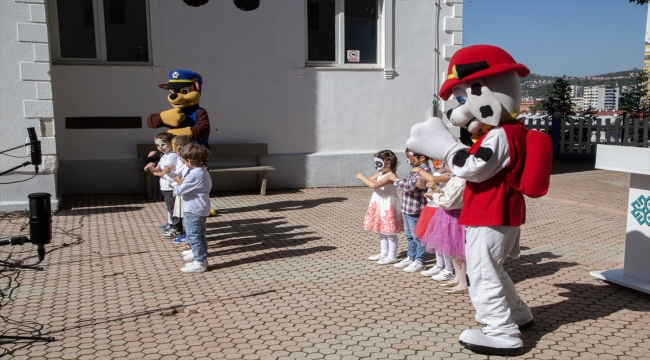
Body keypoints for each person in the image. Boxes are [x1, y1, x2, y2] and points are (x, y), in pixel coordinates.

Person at [417, 162, 468, 293]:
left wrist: (435, 195)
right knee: (451, 249)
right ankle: (458, 277)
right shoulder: (455, 178)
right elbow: (446, 194)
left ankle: (463, 282)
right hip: (448, 217)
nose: (444, 167)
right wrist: (437, 190)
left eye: (447, 164)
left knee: (458, 251)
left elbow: (449, 202)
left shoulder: (461, 181)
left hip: (455, 217)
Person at [356, 150, 403, 265]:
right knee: (381, 229)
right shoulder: (381, 174)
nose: (377, 166)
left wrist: (362, 177)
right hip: (379, 202)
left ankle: (392, 255)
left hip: (387, 203)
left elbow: (373, 185)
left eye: (379, 162)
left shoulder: (391, 176)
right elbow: (371, 181)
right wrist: (367, 179)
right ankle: (384, 253)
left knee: (389, 231)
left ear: (388, 162)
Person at [176, 144, 213, 273]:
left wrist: (174, 186)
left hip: (193, 209)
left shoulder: (195, 174)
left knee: (194, 236)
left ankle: (200, 262)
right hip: (201, 208)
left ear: (190, 161)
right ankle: (201, 258)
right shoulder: (203, 171)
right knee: (200, 235)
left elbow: (180, 190)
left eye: (184, 160)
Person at [392, 149, 431, 273]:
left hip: (417, 209)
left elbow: (409, 187)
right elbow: (406, 182)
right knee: (409, 236)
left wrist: (395, 179)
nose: (408, 160)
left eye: (409, 157)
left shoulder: (423, 171)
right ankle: (411, 256)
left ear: (422, 158)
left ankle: (420, 260)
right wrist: (400, 181)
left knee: (418, 237)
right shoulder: (414, 170)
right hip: (408, 209)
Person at [415, 161, 452, 277]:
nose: (435, 163)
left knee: (443, 240)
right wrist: (422, 176)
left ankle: (449, 268)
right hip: (430, 208)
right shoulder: (435, 173)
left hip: (440, 209)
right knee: (435, 240)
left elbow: (432, 179)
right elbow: (421, 185)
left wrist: (419, 170)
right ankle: (439, 265)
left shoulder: (449, 175)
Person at [144, 132, 180, 238]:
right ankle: (171, 224)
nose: (160, 147)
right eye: (157, 145)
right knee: (169, 207)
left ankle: (176, 227)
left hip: (171, 185)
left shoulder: (172, 156)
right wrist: (151, 165)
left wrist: (153, 171)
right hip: (165, 185)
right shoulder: (165, 155)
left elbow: (161, 173)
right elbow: (158, 169)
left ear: (170, 143)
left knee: (173, 208)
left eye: (163, 144)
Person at [167, 135, 192, 244]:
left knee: (188, 217)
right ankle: (188, 235)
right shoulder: (182, 160)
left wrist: (175, 182)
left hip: (187, 194)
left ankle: (189, 236)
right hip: (182, 191)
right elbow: (177, 174)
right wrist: (169, 172)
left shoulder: (188, 162)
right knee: (184, 215)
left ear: (178, 147)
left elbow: (185, 180)